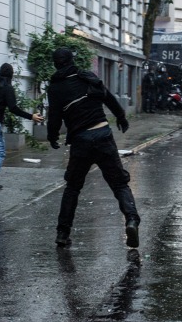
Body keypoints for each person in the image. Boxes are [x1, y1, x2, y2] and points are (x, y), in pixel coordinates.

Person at [47, 48, 140, 248]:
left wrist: (52, 136)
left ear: (56, 64)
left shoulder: (55, 88)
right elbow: (108, 97)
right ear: (73, 60)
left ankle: (63, 234)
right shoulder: (87, 78)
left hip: (81, 141)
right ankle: (131, 220)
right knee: (119, 184)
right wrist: (121, 117)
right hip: (103, 135)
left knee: (72, 188)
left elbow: (54, 117)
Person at [0, 63, 44, 190]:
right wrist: (31, 116)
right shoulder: (7, 88)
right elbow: (13, 108)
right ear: (11, 75)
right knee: (0, 152)